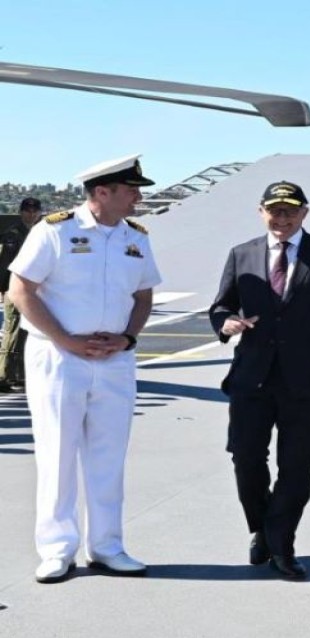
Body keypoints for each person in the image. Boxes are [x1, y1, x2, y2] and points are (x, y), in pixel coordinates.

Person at [8, 154, 162, 583]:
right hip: (59, 358)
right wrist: (65, 339)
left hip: (115, 360)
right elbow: (21, 290)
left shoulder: (137, 237)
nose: (138, 196)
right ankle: (57, 550)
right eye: (131, 189)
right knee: (57, 453)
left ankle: (108, 546)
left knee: (109, 456)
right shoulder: (55, 230)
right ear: (102, 192)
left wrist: (128, 338)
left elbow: (144, 296)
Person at [209, 181, 310, 581]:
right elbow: (221, 305)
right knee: (245, 458)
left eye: (290, 211)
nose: (282, 218)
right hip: (251, 380)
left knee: (296, 467)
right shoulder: (242, 253)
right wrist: (226, 324)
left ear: (304, 213)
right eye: (274, 211)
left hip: (309, 380)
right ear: (261, 211)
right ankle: (260, 527)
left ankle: (281, 542)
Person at [0, 197, 44, 392]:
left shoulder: (41, 233)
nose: (31, 214)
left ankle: (19, 374)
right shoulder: (13, 235)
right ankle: (3, 374)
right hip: (14, 289)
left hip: (34, 291)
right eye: (27, 210)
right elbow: (4, 265)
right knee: (14, 331)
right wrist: (3, 289)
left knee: (27, 333)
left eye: (35, 210)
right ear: (21, 212)